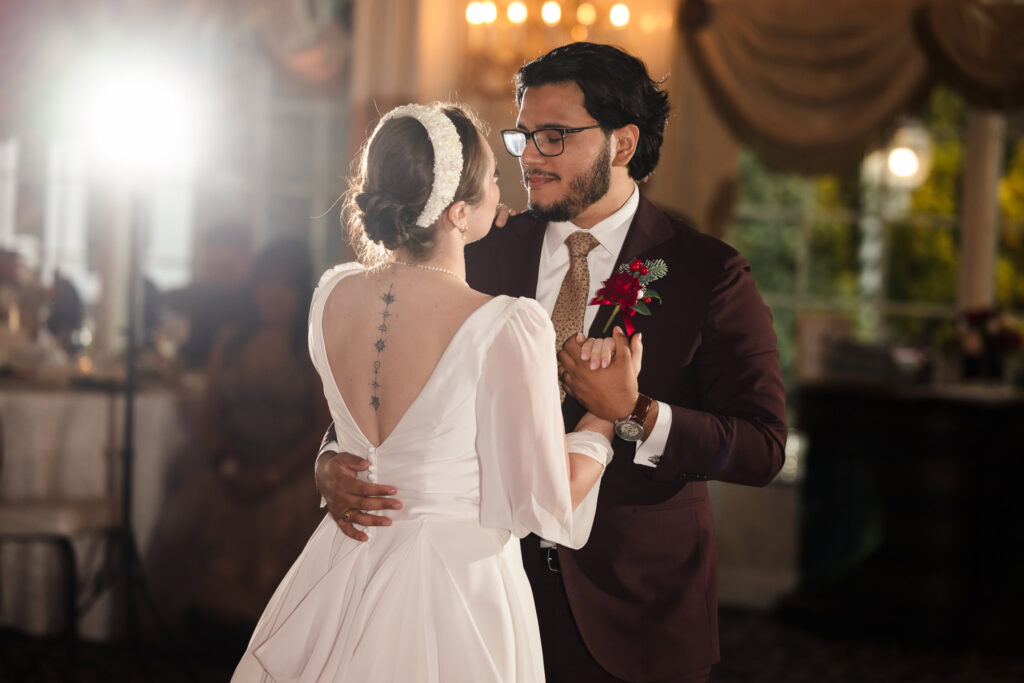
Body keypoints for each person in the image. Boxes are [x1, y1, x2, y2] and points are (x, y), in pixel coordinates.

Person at [316, 43, 788, 683]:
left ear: (623, 145)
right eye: (523, 135)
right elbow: (398, 380)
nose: (529, 157)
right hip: (477, 595)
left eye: (554, 137)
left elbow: (761, 448)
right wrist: (332, 459)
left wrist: (636, 414)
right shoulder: (475, 244)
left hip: (633, 614)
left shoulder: (708, 273)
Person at [233, 103, 636, 681]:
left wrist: (327, 462)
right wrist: (603, 415)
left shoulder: (331, 295)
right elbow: (546, 504)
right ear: (457, 212)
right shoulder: (505, 323)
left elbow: (362, 438)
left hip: (344, 556)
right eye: (495, 178)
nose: (505, 190)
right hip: (454, 582)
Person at [146, 236, 328, 653]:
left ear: (301, 293)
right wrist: (230, 466)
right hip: (233, 464)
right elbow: (208, 417)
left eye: (285, 285)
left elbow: (322, 427)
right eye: (265, 282)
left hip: (293, 471)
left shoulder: (312, 346)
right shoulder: (230, 340)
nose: (273, 294)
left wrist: (271, 476)